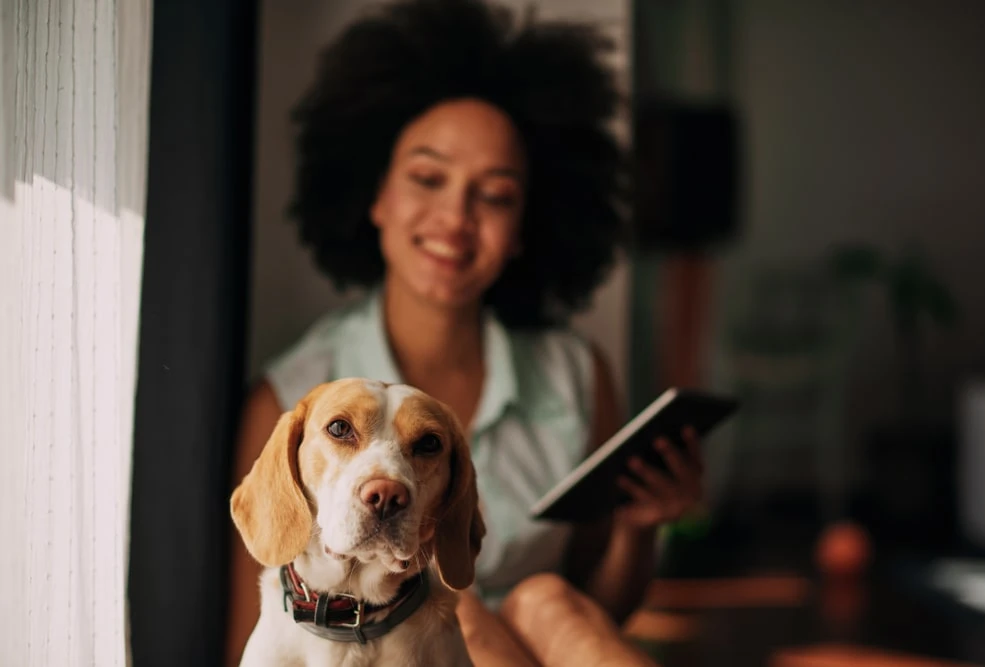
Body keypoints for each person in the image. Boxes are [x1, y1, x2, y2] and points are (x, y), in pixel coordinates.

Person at [226, 0, 705, 664]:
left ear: (524, 229)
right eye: (427, 178)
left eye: (497, 194)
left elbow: (603, 607)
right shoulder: (291, 398)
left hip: (548, 643)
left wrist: (637, 527)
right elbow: (257, 623)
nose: (456, 215)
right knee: (459, 603)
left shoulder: (577, 374)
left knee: (546, 597)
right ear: (377, 196)